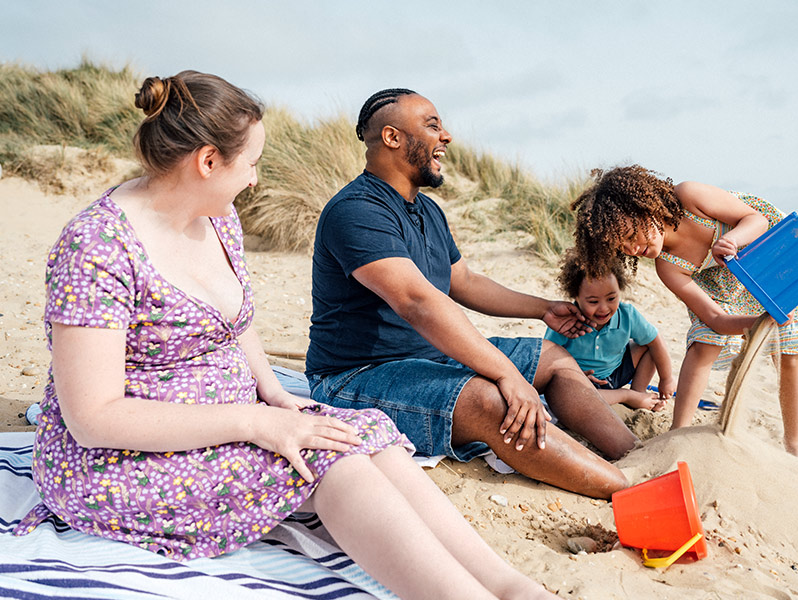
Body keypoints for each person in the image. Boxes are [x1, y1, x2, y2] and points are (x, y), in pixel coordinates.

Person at [14, 72, 556, 600]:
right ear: (207, 162)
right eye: (250, 163)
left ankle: (510, 585)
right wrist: (257, 422)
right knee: (332, 463)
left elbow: (237, 320)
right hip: (127, 455)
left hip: (231, 418)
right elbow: (94, 417)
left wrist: (271, 392)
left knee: (371, 435)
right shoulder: (98, 247)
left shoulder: (217, 215)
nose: (255, 179)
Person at [306, 88, 637, 499]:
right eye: (432, 125)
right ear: (392, 137)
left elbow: (464, 282)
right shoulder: (356, 210)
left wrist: (544, 309)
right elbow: (417, 302)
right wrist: (505, 373)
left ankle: (634, 455)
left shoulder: (427, 210)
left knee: (553, 358)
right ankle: (627, 489)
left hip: (428, 355)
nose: (446, 136)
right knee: (490, 400)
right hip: (356, 375)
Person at [570, 165, 798, 460]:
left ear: (643, 207)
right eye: (622, 247)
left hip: (770, 257)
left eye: (631, 233)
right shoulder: (669, 266)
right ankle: (678, 433)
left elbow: (756, 219)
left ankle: (795, 445)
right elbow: (715, 318)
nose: (633, 247)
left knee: (790, 353)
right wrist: (755, 324)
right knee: (704, 341)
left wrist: (732, 241)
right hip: (726, 288)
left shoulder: (689, 197)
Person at [544, 250, 674, 412]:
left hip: (616, 372)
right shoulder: (567, 321)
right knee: (579, 395)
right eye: (593, 301)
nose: (603, 308)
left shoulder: (627, 314)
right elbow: (547, 360)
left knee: (648, 344)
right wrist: (573, 374)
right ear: (575, 297)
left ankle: (637, 393)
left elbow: (656, 341)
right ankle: (628, 396)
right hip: (583, 381)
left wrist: (666, 379)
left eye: (611, 299)